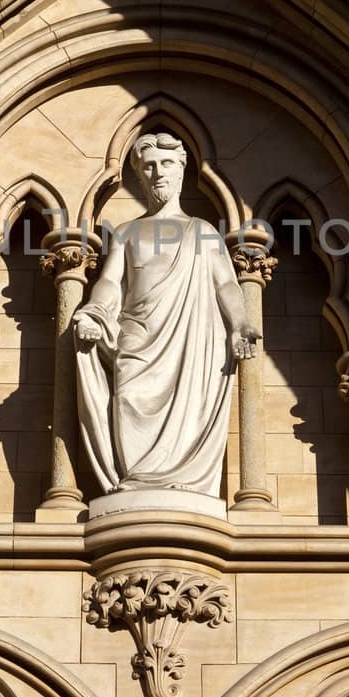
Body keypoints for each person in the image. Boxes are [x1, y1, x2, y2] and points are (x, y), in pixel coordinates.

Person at [73, 134, 259, 498]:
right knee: (127, 400)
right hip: (137, 341)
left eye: (167, 164)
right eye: (149, 166)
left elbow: (226, 285)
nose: (159, 173)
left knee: (189, 414)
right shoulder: (127, 232)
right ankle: (137, 481)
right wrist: (95, 312)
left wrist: (240, 323)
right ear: (139, 175)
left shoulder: (204, 232)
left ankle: (184, 481)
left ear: (182, 169)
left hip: (189, 346)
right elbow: (110, 282)